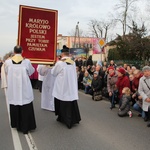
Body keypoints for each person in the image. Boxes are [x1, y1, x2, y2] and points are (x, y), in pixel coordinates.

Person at [4, 46, 36, 134]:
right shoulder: (27, 61)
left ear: (14, 52)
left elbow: (6, 71)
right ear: (22, 51)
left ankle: (17, 124)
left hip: (13, 88)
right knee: (25, 105)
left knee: (15, 104)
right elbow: (31, 72)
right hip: (24, 88)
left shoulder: (7, 62)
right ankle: (26, 126)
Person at [51, 45, 81, 129]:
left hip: (62, 87)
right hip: (71, 87)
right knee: (70, 102)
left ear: (62, 54)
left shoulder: (60, 63)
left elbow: (53, 73)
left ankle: (65, 119)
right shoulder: (73, 62)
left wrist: (53, 65)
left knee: (62, 102)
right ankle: (73, 119)